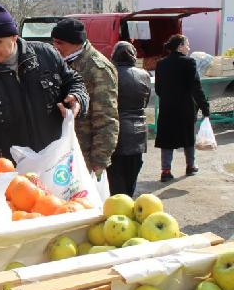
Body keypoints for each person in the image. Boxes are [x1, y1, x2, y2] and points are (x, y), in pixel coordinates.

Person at [0, 2, 89, 175]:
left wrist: (78, 97)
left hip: (56, 164)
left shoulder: (46, 55)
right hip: (10, 171)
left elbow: (73, 80)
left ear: (14, 37)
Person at [51, 18, 119, 177]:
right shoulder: (62, 61)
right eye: (54, 42)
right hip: (61, 150)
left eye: (60, 43)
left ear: (76, 43)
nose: (55, 47)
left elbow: (106, 117)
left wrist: (99, 160)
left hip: (84, 154)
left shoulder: (97, 68)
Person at [155, 34, 210, 182]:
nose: (189, 48)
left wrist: (168, 97)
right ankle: (190, 166)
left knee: (167, 138)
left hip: (167, 107)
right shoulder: (189, 62)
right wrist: (205, 107)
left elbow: (158, 89)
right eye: (187, 44)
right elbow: (196, 88)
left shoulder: (161, 64)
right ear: (180, 46)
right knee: (188, 136)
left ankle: (166, 171)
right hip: (185, 107)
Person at [105, 41, 151, 196]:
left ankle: (119, 210)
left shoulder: (109, 74)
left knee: (115, 178)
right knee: (131, 175)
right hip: (139, 132)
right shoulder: (144, 74)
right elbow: (145, 101)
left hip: (114, 130)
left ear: (114, 56)